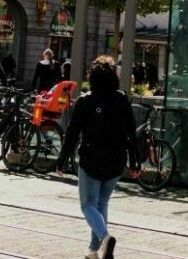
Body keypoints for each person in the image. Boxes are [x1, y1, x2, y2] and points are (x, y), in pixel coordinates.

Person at [58, 57, 139, 259]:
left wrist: (62, 159)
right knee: (101, 203)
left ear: (92, 78)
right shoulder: (122, 99)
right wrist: (135, 161)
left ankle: (104, 238)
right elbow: (131, 132)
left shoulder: (85, 100)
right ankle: (94, 251)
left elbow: (72, 133)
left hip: (91, 159)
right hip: (116, 160)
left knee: (88, 205)